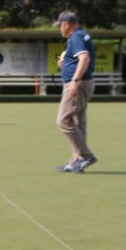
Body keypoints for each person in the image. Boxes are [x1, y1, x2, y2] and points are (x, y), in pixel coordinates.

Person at [53, 11, 97, 173]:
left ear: (66, 25)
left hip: (78, 84)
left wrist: (75, 81)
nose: (60, 29)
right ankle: (76, 161)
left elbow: (84, 58)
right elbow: (79, 58)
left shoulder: (76, 37)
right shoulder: (81, 35)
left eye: (60, 26)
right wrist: (65, 63)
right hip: (82, 83)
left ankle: (85, 155)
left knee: (63, 120)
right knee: (78, 123)